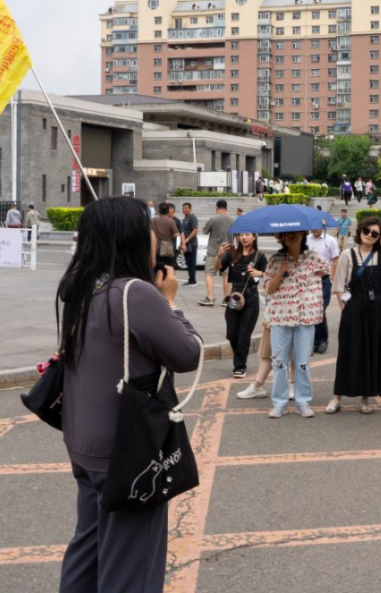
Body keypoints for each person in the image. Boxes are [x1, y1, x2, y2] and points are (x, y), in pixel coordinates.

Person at [57, 197, 202, 593]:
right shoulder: (135, 293)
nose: (154, 239)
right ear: (132, 238)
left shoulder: (81, 286)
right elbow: (187, 353)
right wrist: (170, 302)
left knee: (88, 550)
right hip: (129, 449)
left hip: (85, 443)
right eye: (149, 231)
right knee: (130, 567)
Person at [326, 216, 381, 414]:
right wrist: (345, 309)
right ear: (360, 231)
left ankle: (365, 398)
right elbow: (339, 285)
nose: (369, 235)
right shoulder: (347, 254)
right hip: (354, 308)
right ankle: (337, 396)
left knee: (371, 352)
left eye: (375, 233)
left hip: (377, 309)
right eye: (366, 231)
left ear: (380, 236)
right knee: (348, 352)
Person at [265, 229, 329, 418]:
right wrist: (281, 272)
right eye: (287, 233)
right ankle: (280, 403)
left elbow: (327, 275)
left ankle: (302, 401)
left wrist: (319, 300)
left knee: (302, 362)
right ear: (281, 237)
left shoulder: (314, 258)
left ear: (303, 234)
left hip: (306, 316)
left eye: (296, 232)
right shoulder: (275, 260)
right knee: (279, 362)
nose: (292, 235)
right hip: (280, 315)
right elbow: (269, 289)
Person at [217, 233, 267, 378]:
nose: (244, 237)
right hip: (234, 296)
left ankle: (240, 366)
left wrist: (260, 273)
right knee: (231, 334)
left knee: (243, 335)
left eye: (247, 234)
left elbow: (270, 273)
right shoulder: (233, 254)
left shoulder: (259, 256)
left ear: (254, 237)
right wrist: (219, 255)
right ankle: (240, 356)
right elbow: (219, 267)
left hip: (251, 299)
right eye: (241, 235)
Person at [307, 223, 341, 355]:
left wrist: (331, 277)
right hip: (309, 280)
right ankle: (313, 340)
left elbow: (336, 259)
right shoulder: (306, 240)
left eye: (316, 226)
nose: (313, 228)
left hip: (324, 280)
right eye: (312, 226)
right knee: (311, 309)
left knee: (320, 309)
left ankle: (322, 340)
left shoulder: (330, 240)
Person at [199, 200, 237, 307]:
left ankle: (210, 298)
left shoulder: (213, 219)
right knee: (226, 276)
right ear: (226, 207)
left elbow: (205, 231)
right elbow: (237, 236)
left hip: (213, 251)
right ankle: (226, 300)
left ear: (217, 207)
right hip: (229, 251)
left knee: (210, 274)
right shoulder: (233, 220)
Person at [150, 202, 179, 272]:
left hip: (155, 246)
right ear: (168, 211)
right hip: (167, 247)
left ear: (159, 210)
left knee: (155, 268)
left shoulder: (152, 220)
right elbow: (175, 234)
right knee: (168, 268)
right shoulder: (171, 221)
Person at [181, 202, 199, 286]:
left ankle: (193, 280)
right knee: (188, 262)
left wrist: (187, 239)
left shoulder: (192, 217)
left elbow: (195, 230)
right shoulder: (185, 218)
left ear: (190, 208)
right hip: (186, 243)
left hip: (192, 244)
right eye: (183, 208)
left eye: (186, 208)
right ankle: (190, 279)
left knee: (191, 262)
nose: (184, 209)